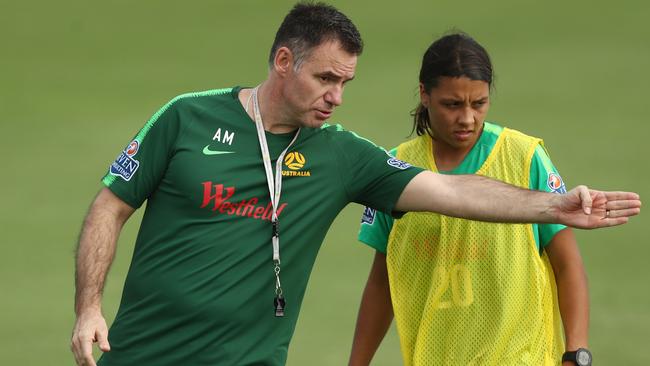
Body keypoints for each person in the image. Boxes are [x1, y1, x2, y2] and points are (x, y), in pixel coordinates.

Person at [70, 3, 640, 366]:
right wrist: (88, 308)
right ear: (284, 61)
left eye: (346, 82)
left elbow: (453, 192)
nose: (337, 96)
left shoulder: (342, 155)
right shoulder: (185, 118)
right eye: (325, 78)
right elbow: (110, 204)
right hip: (140, 355)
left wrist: (554, 205)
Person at [348, 33, 602, 366]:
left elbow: (568, 264)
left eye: (478, 103)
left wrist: (576, 353)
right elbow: (382, 283)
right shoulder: (395, 171)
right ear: (424, 94)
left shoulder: (525, 158)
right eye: (452, 105)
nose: (467, 118)